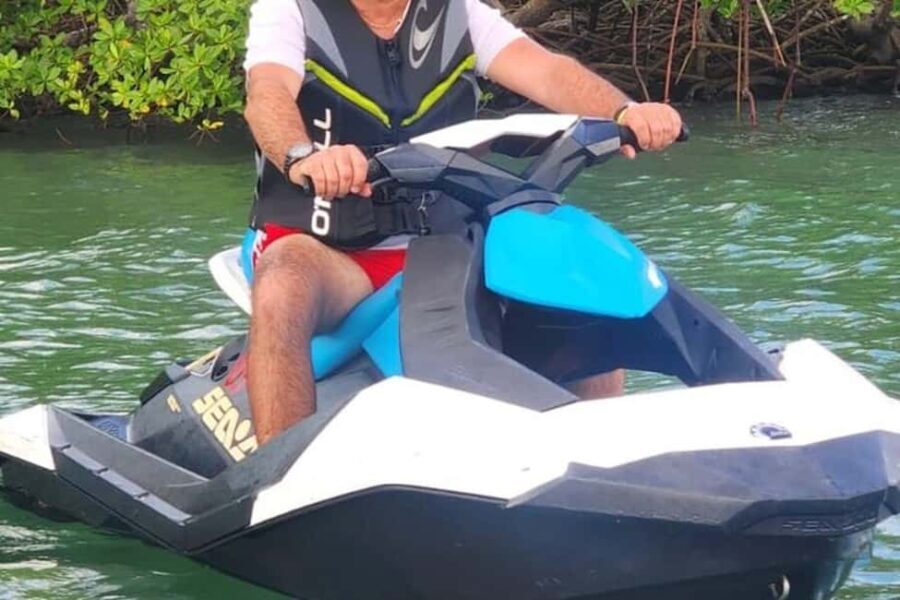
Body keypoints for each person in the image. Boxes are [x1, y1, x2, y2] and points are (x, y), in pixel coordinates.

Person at [242, 0, 683, 445]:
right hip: (334, 252)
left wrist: (624, 111)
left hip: (445, 247)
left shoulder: (459, 12)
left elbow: (548, 72)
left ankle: (598, 460)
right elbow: (267, 94)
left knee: (575, 293)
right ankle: (279, 469)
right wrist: (302, 156)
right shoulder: (290, 9)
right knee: (282, 282)